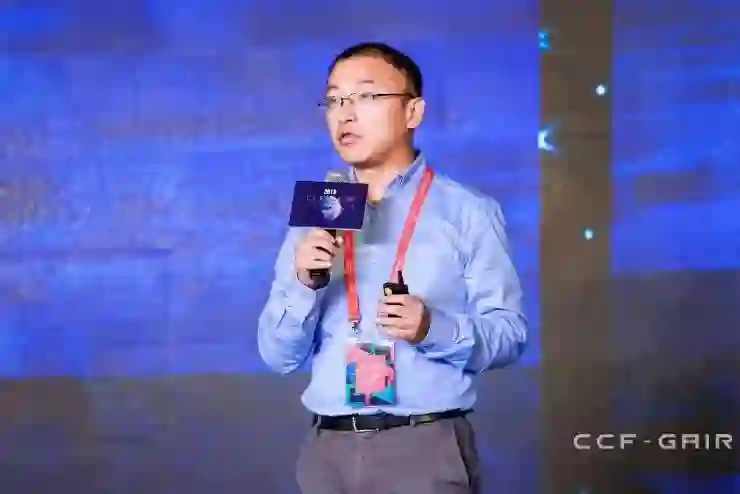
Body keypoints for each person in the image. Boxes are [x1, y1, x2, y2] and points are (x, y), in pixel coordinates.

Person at [257, 42, 528, 494]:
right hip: (328, 452)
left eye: (365, 96)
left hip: (424, 446)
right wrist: (305, 285)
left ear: (412, 112)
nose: (345, 114)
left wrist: (431, 328)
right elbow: (278, 356)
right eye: (334, 100)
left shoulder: (468, 212)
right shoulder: (318, 213)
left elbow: (510, 335)